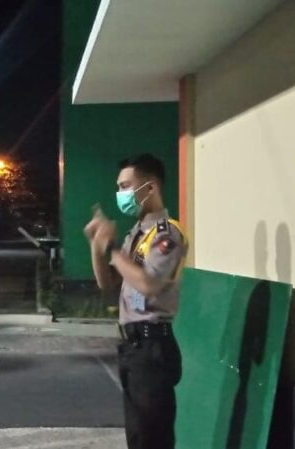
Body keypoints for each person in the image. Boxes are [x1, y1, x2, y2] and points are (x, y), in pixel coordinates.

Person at [83, 153, 188, 449]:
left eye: (126, 186)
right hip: (133, 347)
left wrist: (113, 248)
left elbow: (148, 284)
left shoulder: (167, 234)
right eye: (119, 187)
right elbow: (108, 283)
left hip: (153, 345)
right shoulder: (136, 235)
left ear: (150, 187)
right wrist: (96, 247)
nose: (120, 194)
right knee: (139, 435)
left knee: (152, 437)